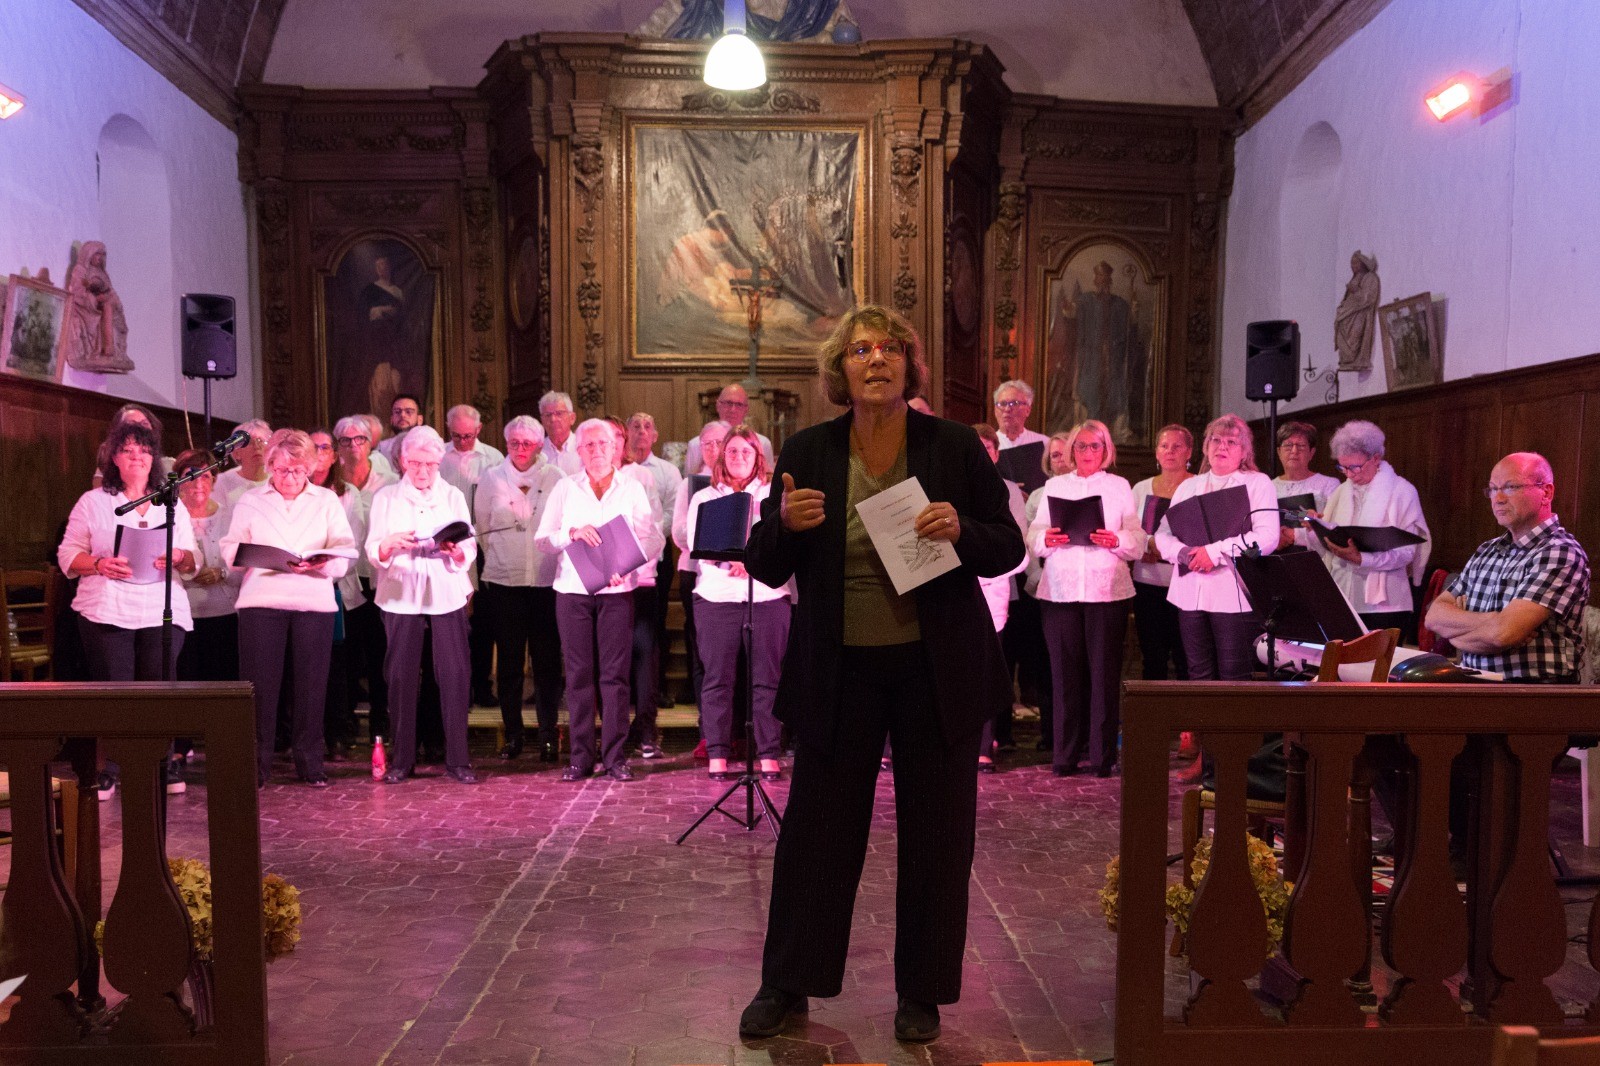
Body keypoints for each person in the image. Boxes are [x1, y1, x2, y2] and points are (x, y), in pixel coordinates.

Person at [738, 305, 1024, 1043]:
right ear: (840, 368)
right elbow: (764, 563)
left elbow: (1008, 546)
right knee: (817, 833)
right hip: (840, 670)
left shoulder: (953, 446)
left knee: (937, 834)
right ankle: (787, 982)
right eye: (860, 349)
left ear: (909, 364)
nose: (876, 360)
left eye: (891, 348)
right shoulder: (810, 449)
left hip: (936, 670)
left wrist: (963, 529)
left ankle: (922, 992)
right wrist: (783, 526)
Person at [59, 420, 198, 796]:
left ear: (154, 459)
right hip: (107, 606)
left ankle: (163, 762)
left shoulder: (171, 502)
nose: (137, 456)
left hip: (161, 606)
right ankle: (113, 766)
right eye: (128, 450)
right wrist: (100, 564)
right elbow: (68, 554)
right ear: (114, 459)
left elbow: (192, 559)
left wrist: (178, 556)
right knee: (117, 690)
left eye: (144, 450)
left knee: (159, 685)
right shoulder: (93, 502)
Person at [222, 430, 355, 788]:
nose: (289, 477)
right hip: (262, 600)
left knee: (311, 687)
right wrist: (256, 556)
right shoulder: (251, 500)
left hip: (313, 600)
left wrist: (321, 562)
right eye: (281, 470)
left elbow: (345, 553)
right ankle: (256, 764)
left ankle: (310, 762)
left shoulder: (326, 500)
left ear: (309, 468)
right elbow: (230, 549)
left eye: (297, 470)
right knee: (260, 687)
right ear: (269, 467)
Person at [535, 419, 664, 783]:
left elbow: (652, 539)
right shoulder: (565, 488)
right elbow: (543, 539)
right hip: (572, 591)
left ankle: (615, 757)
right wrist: (572, 533)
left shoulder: (632, 488)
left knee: (615, 677)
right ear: (579, 451)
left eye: (603, 444)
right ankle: (580, 757)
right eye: (589, 445)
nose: (596, 450)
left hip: (617, 593)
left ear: (616, 448)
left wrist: (628, 566)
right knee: (578, 676)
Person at [366, 426, 479, 785]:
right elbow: (373, 548)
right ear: (402, 461)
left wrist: (456, 551)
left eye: (430, 464)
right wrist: (388, 545)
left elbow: (469, 544)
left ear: (439, 463)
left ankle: (458, 759)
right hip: (401, 592)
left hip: (445, 590)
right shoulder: (386, 497)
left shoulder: (452, 495)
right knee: (400, 676)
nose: (423, 471)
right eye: (415, 463)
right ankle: (402, 760)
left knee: (454, 673)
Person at [1030, 419, 1140, 777]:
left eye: (1095, 445)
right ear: (1071, 450)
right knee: (1064, 675)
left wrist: (1117, 540)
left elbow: (1137, 538)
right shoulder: (1055, 485)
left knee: (1104, 675)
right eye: (1081, 445)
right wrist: (1047, 539)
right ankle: (1065, 755)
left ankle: (1102, 756)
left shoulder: (1119, 486)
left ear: (1106, 450)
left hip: (1106, 588)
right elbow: (1034, 535)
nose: (1088, 452)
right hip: (1060, 588)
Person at [687, 425, 791, 780]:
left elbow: (781, 540)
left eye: (746, 451)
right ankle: (717, 752)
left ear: (758, 457)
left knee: (767, 680)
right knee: (717, 679)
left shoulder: (772, 496)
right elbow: (696, 544)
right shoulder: (705, 497)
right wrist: (733, 561)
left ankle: (768, 753)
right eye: (732, 451)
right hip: (717, 596)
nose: (739, 457)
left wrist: (752, 562)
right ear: (722, 456)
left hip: (766, 595)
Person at [1427, 453, 1589, 681]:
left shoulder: (1560, 551)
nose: (1498, 498)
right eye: (1493, 489)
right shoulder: (1487, 550)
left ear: (1546, 492)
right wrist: (1493, 620)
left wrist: (1457, 634)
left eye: (1511, 487)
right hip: (1471, 684)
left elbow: (1504, 635)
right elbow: (1434, 617)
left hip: (1533, 691)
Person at [1154, 413, 1279, 682]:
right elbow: (1163, 532)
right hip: (1190, 591)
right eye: (1216, 440)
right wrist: (1183, 553)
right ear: (1205, 446)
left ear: (1244, 451)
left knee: (1234, 676)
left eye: (1231, 442)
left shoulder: (1257, 482)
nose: (1222, 446)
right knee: (1198, 673)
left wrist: (1213, 552)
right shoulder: (1189, 486)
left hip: (1233, 594)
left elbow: (1268, 537)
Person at [474, 415, 567, 762]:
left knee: (546, 664)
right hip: (505, 583)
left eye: (527, 443)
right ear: (506, 443)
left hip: (546, 583)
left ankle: (547, 736)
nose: (520, 449)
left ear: (540, 445)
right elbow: (483, 528)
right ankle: (513, 735)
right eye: (514, 442)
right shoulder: (491, 478)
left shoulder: (556, 478)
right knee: (510, 664)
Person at [1316, 420, 1431, 634]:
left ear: (1376, 458)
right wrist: (1315, 527)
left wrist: (1362, 559)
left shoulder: (1402, 491)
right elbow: (1327, 545)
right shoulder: (1341, 492)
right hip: (1343, 597)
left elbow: (1406, 553)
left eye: (1355, 467)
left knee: (1378, 658)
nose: (1349, 474)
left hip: (1385, 604)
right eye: (1343, 467)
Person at [623, 411, 683, 758]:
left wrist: (637, 544)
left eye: (647, 426)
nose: (641, 432)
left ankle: (648, 711)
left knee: (650, 635)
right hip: (611, 571)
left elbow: (667, 516)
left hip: (650, 562)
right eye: (635, 426)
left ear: (655, 434)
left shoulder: (663, 472)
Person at [333, 415, 396, 742]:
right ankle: (345, 721)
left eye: (359, 439)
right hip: (343, 579)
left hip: (377, 577)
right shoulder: (330, 482)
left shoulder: (389, 481)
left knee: (379, 651)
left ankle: (380, 717)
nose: (353, 446)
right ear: (338, 446)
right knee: (346, 653)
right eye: (345, 440)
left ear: (370, 444)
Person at [440, 404, 506, 708]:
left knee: (483, 621)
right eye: (457, 436)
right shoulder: (439, 456)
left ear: (478, 430)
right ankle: (457, 688)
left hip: (483, 546)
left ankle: (482, 685)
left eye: (468, 436)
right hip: (447, 547)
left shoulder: (493, 458)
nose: (462, 441)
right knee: (453, 619)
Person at [972, 424, 1028, 772]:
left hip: (993, 588)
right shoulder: (951, 483)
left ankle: (984, 744)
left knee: (987, 668)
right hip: (957, 586)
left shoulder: (1009, 491)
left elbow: (1018, 547)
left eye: (988, 448)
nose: (982, 453)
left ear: (996, 453)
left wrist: (988, 566)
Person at [310, 429, 366, 759]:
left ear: (334, 456)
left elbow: (351, 546)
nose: (319, 452)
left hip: (334, 587)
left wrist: (321, 564)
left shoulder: (347, 494)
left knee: (335, 665)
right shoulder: (293, 489)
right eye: (313, 446)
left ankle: (337, 733)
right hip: (297, 586)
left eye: (324, 447)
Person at [672, 420, 731, 719]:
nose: (713, 449)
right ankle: (704, 718)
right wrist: (710, 529)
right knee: (699, 644)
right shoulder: (691, 484)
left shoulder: (739, 481)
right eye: (707, 443)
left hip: (732, 574)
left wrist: (709, 529)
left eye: (719, 442)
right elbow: (679, 534)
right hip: (694, 570)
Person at [1131, 424, 1194, 684]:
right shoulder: (1140, 488)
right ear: (1156, 452)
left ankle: (1186, 711)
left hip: (1186, 582)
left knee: (1185, 658)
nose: (1170, 451)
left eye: (1177, 446)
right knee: (1153, 657)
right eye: (1164, 446)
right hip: (1147, 582)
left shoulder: (1198, 486)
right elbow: (1129, 528)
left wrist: (1166, 547)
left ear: (1189, 452)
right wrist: (1147, 544)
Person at [174, 447, 242, 689]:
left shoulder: (230, 516)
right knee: (187, 686)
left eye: (205, 476)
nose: (198, 483)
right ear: (178, 481)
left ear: (214, 480)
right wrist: (187, 571)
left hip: (224, 614)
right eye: (190, 476)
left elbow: (244, 563)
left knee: (223, 686)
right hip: (182, 616)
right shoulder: (169, 517)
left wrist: (221, 572)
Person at [1272, 421, 1341, 551]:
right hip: (1275, 557)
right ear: (1279, 451)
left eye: (1301, 446)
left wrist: (1293, 534)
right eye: (1288, 445)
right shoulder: (1268, 486)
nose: (1294, 451)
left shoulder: (1329, 484)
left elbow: (1335, 528)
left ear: (1311, 452)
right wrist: (1274, 539)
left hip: (1318, 557)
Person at [685, 384, 775, 474]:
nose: (733, 409)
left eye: (739, 404)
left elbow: (768, 478)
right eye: (728, 403)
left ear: (746, 409)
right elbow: (690, 480)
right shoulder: (696, 444)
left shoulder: (762, 443)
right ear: (718, 405)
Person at [1335, 251, 1380, 372]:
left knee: (1354, 338)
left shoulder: (1371, 278)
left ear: (1363, 264)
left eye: (1355, 263)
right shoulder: (1354, 278)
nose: (1352, 266)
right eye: (1351, 263)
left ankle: (1355, 359)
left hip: (1359, 315)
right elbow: (1347, 299)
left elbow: (1369, 298)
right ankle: (1346, 360)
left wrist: (1355, 290)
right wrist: (1342, 307)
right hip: (1346, 315)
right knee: (1343, 335)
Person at [213, 419, 272, 508]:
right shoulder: (222, 482)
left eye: (260, 440)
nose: (257, 446)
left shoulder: (277, 478)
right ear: (237, 453)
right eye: (250, 442)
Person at [992, 379, 1047, 451]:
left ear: (1028, 410)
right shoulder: (983, 446)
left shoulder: (1045, 444)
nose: (1007, 409)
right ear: (995, 410)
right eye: (1003, 404)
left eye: (1014, 403)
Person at [538, 391, 582, 475]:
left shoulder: (583, 446)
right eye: (548, 415)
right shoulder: (537, 452)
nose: (553, 419)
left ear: (572, 418)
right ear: (542, 421)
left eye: (559, 413)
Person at [377, 394, 423, 468]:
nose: (402, 415)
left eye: (408, 412)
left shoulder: (433, 448)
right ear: (391, 419)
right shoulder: (380, 449)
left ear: (420, 420)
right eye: (397, 412)